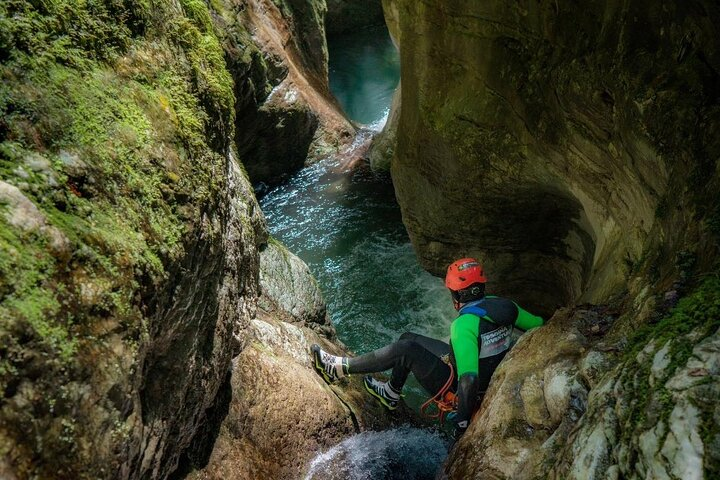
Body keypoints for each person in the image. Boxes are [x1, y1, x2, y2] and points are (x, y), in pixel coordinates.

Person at [311, 258, 544, 437]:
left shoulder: (463, 325)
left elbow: (469, 380)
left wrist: (462, 424)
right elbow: (540, 325)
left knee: (405, 349)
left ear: (456, 294)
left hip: (463, 392)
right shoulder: (506, 306)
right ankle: (391, 393)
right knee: (408, 338)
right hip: (488, 373)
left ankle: (339, 368)